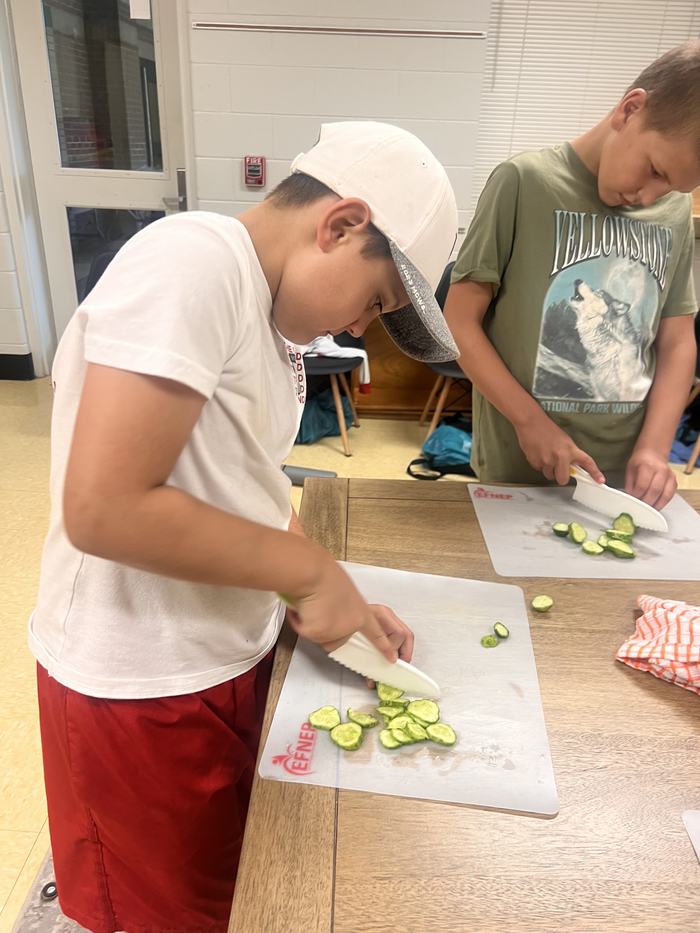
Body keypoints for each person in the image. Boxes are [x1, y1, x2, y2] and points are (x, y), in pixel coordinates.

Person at [29, 121, 459, 933]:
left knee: (229, 892)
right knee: (162, 909)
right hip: (139, 685)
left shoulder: (271, 323)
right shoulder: (192, 259)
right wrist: (308, 576)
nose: (364, 328)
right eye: (374, 302)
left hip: (221, 655)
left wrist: (338, 599)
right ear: (339, 224)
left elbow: (244, 485)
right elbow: (104, 505)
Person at [445, 41, 700, 509]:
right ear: (630, 109)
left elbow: (677, 340)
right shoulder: (523, 182)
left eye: (673, 186)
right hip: (521, 464)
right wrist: (529, 422)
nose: (650, 197)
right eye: (655, 170)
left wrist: (655, 447)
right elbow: (459, 321)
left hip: (622, 474)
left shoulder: (674, 211)